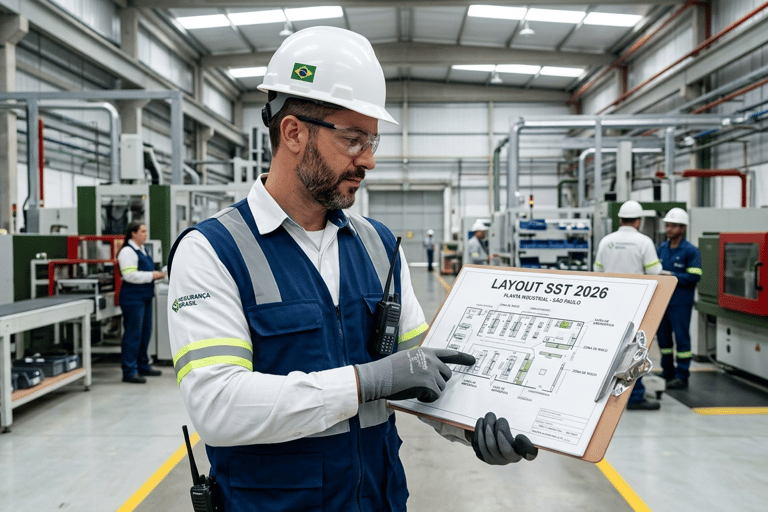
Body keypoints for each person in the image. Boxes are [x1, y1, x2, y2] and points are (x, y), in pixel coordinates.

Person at [167, 26, 536, 512]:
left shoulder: (378, 244)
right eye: (354, 139)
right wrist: (367, 381)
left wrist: (472, 429)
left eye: (372, 142)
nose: (368, 160)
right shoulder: (212, 251)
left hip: (378, 500)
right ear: (293, 132)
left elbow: (423, 372)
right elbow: (218, 406)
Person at [594, 200, 662, 410]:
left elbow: (597, 272)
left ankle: (603, 392)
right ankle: (634, 395)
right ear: (638, 221)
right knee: (636, 348)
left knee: (610, 347)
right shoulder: (644, 242)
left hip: (611, 302)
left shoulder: (606, 241)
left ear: (620, 218)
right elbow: (655, 272)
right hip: (637, 303)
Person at [656, 207, 702, 390]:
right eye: (667, 225)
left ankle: (682, 375)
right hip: (662, 301)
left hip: (680, 302)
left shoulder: (690, 250)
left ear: (682, 228)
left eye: (673, 226)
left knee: (682, 338)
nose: (669, 229)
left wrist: (671, 276)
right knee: (664, 338)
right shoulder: (661, 248)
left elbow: (695, 276)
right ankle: (667, 370)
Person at [117, 221, 165, 383]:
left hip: (145, 297)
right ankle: (129, 371)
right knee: (133, 334)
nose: (146, 234)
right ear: (133, 233)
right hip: (132, 298)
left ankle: (142, 365)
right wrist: (153, 275)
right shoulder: (127, 252)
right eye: (143, 231)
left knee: (145, 333)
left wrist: (158, 275)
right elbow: (130, 275)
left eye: (146, 231)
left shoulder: (143, 250)